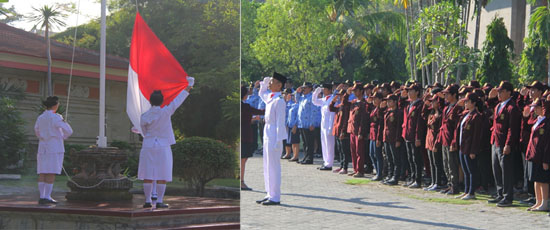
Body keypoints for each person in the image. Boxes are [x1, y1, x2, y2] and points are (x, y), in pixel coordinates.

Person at [138, 76, 194, 209]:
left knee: (148, 173)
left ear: (150, 101)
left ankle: (147, 200)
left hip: (149, 144)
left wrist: (150, 137)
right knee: (162, 172)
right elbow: (178, 100)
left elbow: (143, 131)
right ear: (162, 101)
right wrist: (189, 85)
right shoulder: (166, 112)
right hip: (163, 145)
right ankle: (159, 200)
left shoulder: (144, 116)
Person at [487, 81, 521, 207]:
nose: (499, 93)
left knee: (506, 171)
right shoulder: (499, 105)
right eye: (499, 91)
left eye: (502, 91)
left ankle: (508, 196)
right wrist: (490, 97)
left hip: (503, 143)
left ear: (509, 92)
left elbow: (513, 128)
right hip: (495, 141)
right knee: (496, 169)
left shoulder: (512, 107)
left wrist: (508, 144)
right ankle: (500, 193)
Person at [255, 72, 287, 206]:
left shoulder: (279, 101)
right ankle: (269, 193)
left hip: (274, 132)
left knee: (274, 166)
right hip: (267, 130)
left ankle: (275, 196)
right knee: (267, 165)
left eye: (272, 81)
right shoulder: (270, 97)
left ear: (279, 85)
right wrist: (264, 82)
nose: (270, 83)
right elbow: (261, 94)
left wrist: (279, 141)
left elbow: (280, 122)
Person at [34, 96, 73, 205]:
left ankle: (42, 196)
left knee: (42, 171)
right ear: (55, 105)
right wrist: (62, 136)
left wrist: (43, 137)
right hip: (54, 146)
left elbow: (36, 130)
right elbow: (69, 131)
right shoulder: (56, 117)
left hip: (43, 146)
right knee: (51, 171)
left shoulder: (40, 117)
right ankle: (47, 196)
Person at [454, 92, 483, 200]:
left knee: (471, 170)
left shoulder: (477, 116)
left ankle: (471, 192)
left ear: (473, 103)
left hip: (470, 147)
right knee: (465, 170)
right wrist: (458, 105)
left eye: (467, 101)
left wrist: (473, 150)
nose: (465, 103)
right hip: (463, 146)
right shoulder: (466, 114)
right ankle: (466, 191)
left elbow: (476, 136)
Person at [525, 98, 550, 211]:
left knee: (543, 180)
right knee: (535, 179)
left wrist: (546, 160)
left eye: (537, 107)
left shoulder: (547, 122)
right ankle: (538, 201)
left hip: (541, 156)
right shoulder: (537, 120)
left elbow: (547, 143)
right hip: (533, 154)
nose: (534, 109)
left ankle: (544, 203)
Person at [437, 84, 462, 195]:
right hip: (444, 139)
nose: (445, 96)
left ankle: (455, 186)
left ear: (454, 95)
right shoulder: (447, 108)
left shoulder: (457, 108)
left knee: (452, 165)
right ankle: (449, 184)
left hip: (451, 140)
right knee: (446, 163)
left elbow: (456, 127)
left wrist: (454, 141)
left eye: (447, 94)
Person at [402, 84, 426, 189]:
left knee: (416, 159)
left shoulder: (420, 105)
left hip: (415, 136)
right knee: (410, 158)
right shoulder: (409, 105)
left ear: (417, 92)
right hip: (407, 135)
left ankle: (418, 179)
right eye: (408, 91)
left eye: (411, 91)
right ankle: (412, 178)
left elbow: (419, 123)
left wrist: (418, 137)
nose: (409, 93)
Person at [241, 85, 265, 190]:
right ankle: (241, 181)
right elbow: (260, 111)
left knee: (243, 158)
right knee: (243, 159)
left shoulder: (244, 107)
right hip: (245, 135)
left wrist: (254, 118)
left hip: (243, 134)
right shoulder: (245, 107)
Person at [312, 83, 336, 170]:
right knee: (324, 144)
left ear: (329, 90)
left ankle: (329, 164)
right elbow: (314, 101)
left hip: (329, 125)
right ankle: (326, 162)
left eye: (325, 89)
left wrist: (331, 127)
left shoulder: (332, 99)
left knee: (329, 145)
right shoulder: (324, 99)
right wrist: (316, 92)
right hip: (323, 124)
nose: (323, 90)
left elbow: (332, 115)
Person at [347, 83, 369, 178]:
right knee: (353, 151)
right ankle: (355, 169)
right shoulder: (354, 102)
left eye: (356, 90)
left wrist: (361, 132)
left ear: (361, 91)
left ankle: (360, 170)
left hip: (358, 131)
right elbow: (344, 103)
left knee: (359, 151)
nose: (354, 92)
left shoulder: (364, 103)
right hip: (352, 129)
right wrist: (346, 94)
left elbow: (363, 119)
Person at [381, 94, 403, 185]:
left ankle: (395, 177)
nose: (388, 103)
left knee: (396, 159)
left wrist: (398, 139)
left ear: (395, 102)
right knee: (389, 159)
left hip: (394, 138)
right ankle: (390, 176)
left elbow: (399, 127)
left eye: (390, 101)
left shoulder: (398, 112)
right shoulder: (387, 112)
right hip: (387, 138)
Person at [330, 87, 352, 174]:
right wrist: (333, 101)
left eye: (341, 95)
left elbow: (345, 120)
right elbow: (331, 108)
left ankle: (345, 167)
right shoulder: (339, 106)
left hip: (343, 132)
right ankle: (341, 166)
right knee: (340, 150)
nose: (340, 97)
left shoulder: (346, 106)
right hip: (337, 131)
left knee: (344, 150)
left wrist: (343, 131)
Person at [425, 94, 444, 191]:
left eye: (434, 101)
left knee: (437, 163)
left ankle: (438, 182)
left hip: (436, 141)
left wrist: (436, 143)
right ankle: (433, 181)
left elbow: (439, 130)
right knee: (431, 162)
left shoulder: (440, 115)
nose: (432, 103)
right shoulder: (431, 113)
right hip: (429, 140)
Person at [368, 91, 385, 180]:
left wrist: (378, 138)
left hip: (377, 134)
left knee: (377, 154)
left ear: (380, 99)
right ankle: (377, 171)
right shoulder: (374, 108)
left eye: (375, 98)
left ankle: (380, 173)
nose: (373, 100)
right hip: (372, 134)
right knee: (371, 154)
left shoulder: (381, 110)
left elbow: (380, 125)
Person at [296, 82, 315, 164]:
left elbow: (313, 111)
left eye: (306, 88)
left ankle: (309, 158)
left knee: (309, 142)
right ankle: (305, 156)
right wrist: (297, 92)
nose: (304, 89)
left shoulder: (311, 97)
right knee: (304, 142)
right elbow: (296, 100)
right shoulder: (302, 97)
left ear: (310, 88)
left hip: (308, 123)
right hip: (302, 122)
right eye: (303, 88)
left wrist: (312, 123)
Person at [282, 88, 299, 161]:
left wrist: (295, 125)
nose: (285, 95)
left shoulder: (296, 104)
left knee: (294, 141)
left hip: (294, 125)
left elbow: (298, 116)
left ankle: (295, 156)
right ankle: (287, 153)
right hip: (288, 124)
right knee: (288, 140)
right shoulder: (288, 103)